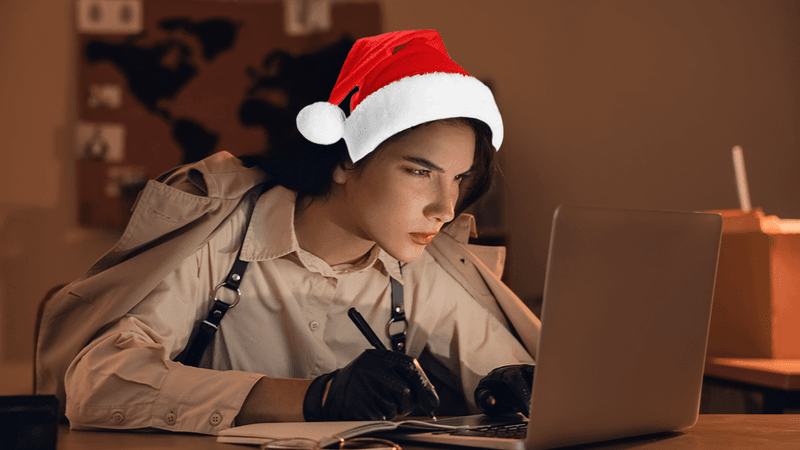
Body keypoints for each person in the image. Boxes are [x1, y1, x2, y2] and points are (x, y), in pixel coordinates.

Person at [36, 30, 540, 435]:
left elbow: (508, 369)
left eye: (458, 178)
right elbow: (96, 381)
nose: (445, 208)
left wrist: (520, 384)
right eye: (418, 171)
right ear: (344, 159)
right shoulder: (219, 240)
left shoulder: (419, 269)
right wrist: (313, 397)